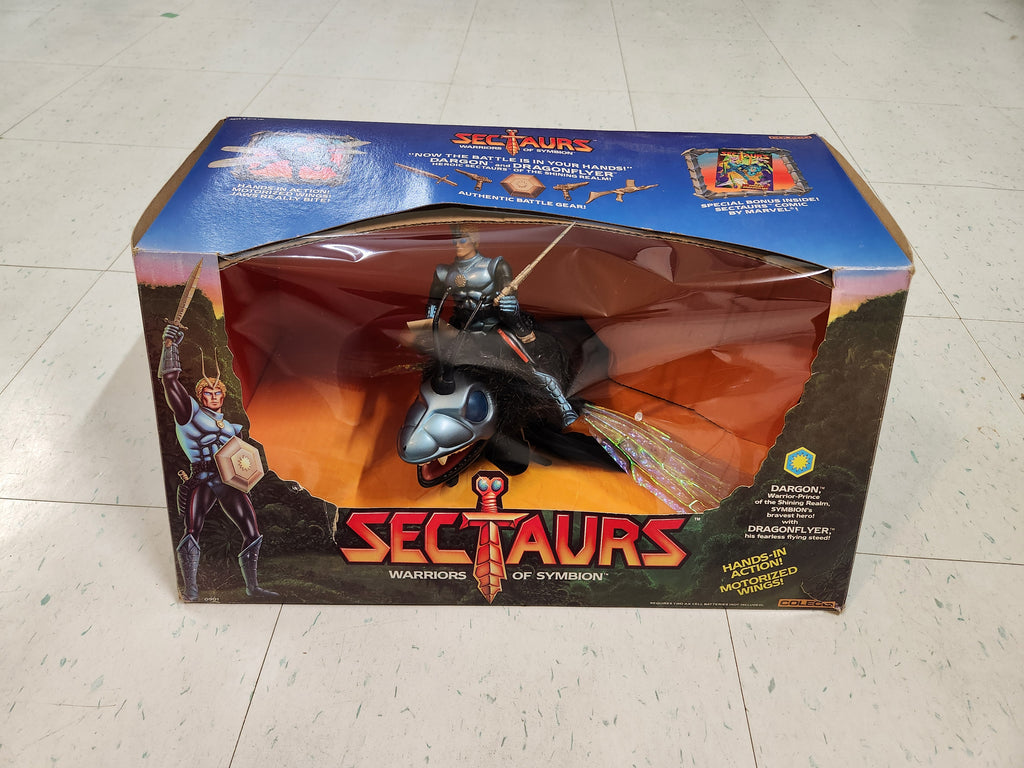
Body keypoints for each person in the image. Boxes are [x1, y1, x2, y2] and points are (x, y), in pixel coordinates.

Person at [158, 324, 278, 601]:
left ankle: (252, 587)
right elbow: (170, 382)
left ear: (223, 396)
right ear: (200, 396)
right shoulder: (190, 414)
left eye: (217, 393)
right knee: (192, 530)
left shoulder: (233, 428)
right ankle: (191, 588)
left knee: (252, 531)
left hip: (228, 480)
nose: (213, 397)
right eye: (208, 393)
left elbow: (245, 459)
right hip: (201, 478)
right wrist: (169, 346)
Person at [425, 223, 577, 427]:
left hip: (494, 328)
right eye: (454, 239)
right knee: (443, 368)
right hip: (463, 329)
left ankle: (563, 405)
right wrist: (430, 325)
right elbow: (433, 303)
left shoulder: (494, 266)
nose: (457, 244)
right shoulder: (444, 272)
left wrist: (509, 306)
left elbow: (510, 298)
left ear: (475, 240)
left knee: (529, 365)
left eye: (462, 238)